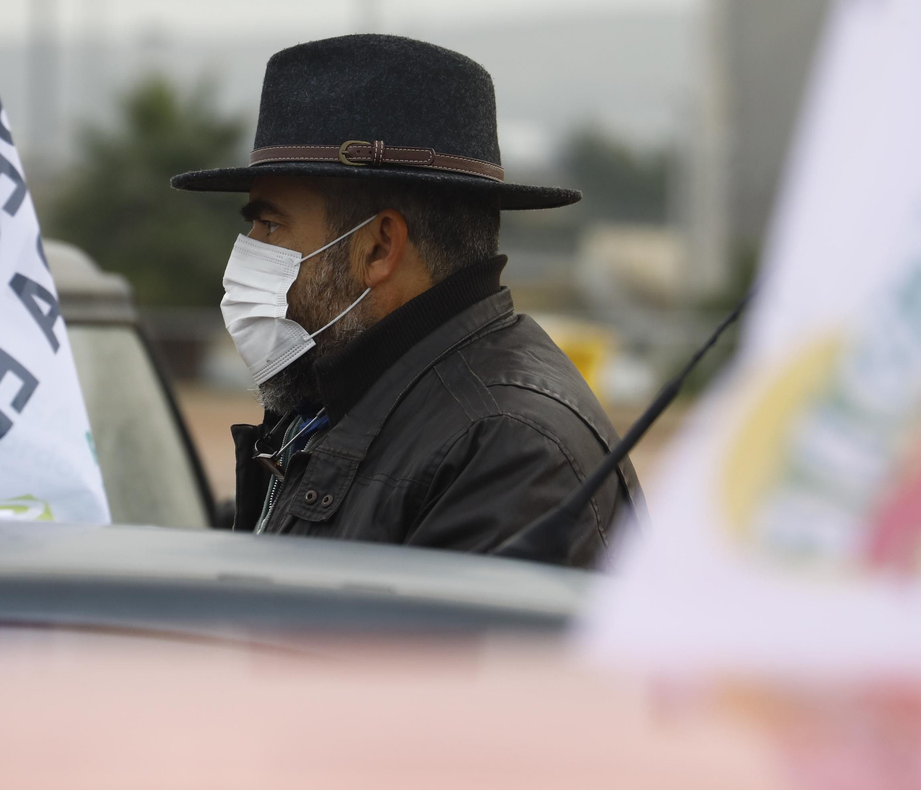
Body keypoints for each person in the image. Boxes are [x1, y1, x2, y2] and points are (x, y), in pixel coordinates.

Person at [171, 34, 639, 567]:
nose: (247, 251)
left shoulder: (507, 449)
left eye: (270, 224)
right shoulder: (340, 400)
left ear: (379, 247)